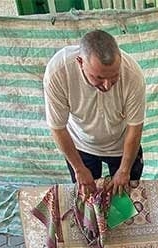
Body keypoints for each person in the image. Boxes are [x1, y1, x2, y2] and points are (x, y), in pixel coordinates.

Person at [44, 29, 146, 196]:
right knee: (87, 199)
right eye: (99, 77)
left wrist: (124, 170)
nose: (107, 85)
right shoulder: (58, 72)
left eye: (114, 76)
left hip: (122, 145)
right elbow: (58, 128)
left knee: (125, 199)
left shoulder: (133, 74)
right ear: (80, 62)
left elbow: (135, 127)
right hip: (81, 144)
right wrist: (78, 169)